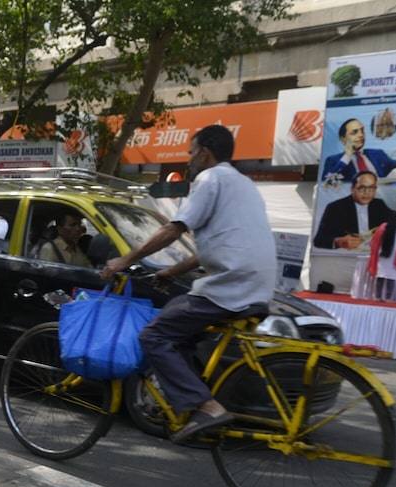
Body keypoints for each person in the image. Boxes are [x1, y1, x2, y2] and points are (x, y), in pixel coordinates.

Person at [101, 125, 276, 444]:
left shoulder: (209, 179)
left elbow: (174, 229)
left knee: (154, 335)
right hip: (257, 282)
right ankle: (195, 404)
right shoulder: (244, 184)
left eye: (191, 152)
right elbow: (222, 242)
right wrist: (173, 271)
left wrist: (123, 261)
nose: (190, 159)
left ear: (205, 153)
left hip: (231, 284)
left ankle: (206, 407)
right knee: (178, 333)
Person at [313, 171, 396, 250]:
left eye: (371, 188)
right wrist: (338, 242)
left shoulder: (379, 204)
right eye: (362, 188)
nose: (367, 192)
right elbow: (318, 240)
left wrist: (385, 228)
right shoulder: (335, 208)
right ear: (353, 188)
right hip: (345, 256)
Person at [322, 119, 396, 183]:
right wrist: (347, 156)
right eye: (354, 132)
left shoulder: (377, 153)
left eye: (362, 131)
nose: (361, 135)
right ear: (343, 139)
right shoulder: (333, 160)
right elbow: (327, 182)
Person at [367, 211, 396, 302]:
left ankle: (377, 296)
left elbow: (375, 240)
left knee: (381, 276)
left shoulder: (383, 226)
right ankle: (388, 298)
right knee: (391, 277)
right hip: (395, 255)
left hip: (382, 253)